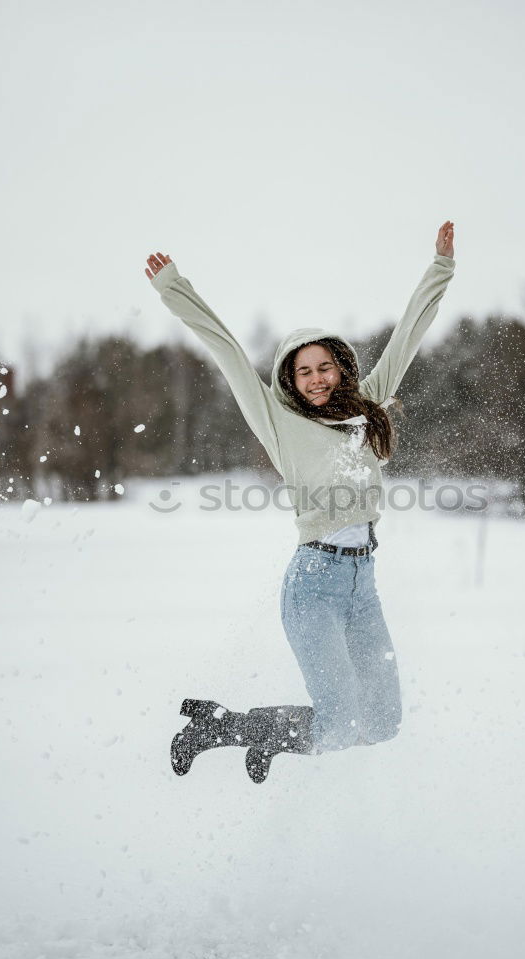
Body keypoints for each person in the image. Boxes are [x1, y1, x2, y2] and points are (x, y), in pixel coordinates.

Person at [145, 221, 456, 783]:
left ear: (341, 368)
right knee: (336, 725)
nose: (315, 379)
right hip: (313, 583)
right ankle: (228, 728)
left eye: (324, 367)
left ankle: (250, 729)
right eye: (303, 370)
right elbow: (227, 349)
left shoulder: (366, 408)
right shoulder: (278, 422)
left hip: (363, 585)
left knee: (383, 722)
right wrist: (174, 286)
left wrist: (440, 269)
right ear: (289, 378)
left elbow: (408, 337)